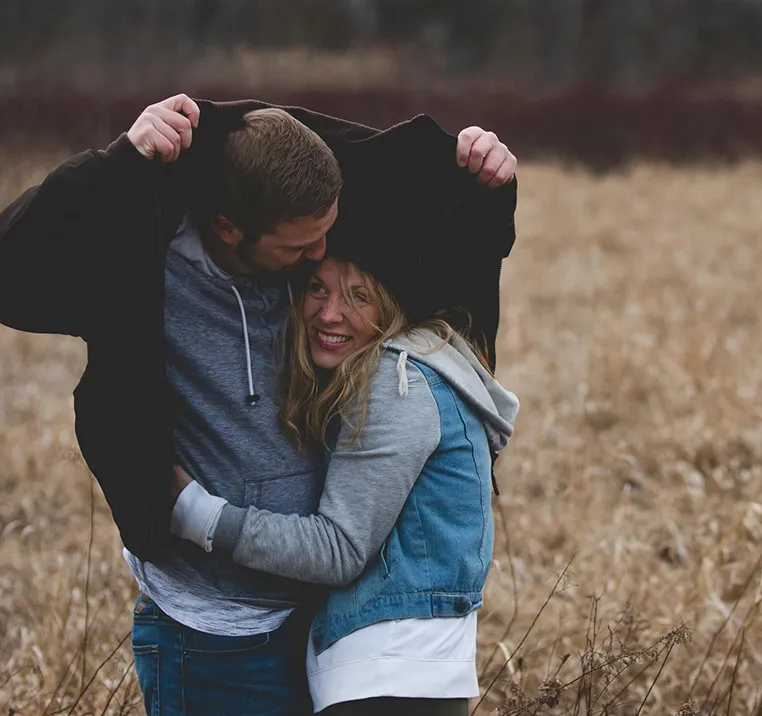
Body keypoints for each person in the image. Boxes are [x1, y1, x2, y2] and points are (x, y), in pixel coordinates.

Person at [0, 94, 517, 714]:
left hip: (317, 627)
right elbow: (15, 262)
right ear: (229, 230)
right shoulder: (141, 265)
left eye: (328, 235)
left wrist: (489, 180)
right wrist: (118, 162)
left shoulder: (305, 236)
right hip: (210, 636)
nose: (319, 258)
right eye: (300, 251)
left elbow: (435, 226)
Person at [170, 251, 519, 715]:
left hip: (387, 674)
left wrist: (193, 512)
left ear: (393, 307)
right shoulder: (420, 369)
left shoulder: (398, 382)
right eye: (318, 288)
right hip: (408, 673)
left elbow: (339, 550)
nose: (330, 313)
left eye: (359, 296)